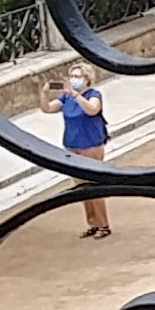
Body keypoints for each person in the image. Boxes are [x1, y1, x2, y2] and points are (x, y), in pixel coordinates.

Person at [48, 67, 111, 237]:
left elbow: (92, 109)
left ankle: (103, 224)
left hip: (90, 145)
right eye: (71, 76)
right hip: (72, 146)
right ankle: (92, 223)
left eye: (77, 76)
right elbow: (47, 108)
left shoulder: (93, 94)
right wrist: (44, 93)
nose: (73, 79)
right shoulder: (66, 97)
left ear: (87, 78)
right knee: (81, 187)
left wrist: (76, 95)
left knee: (94, 185)